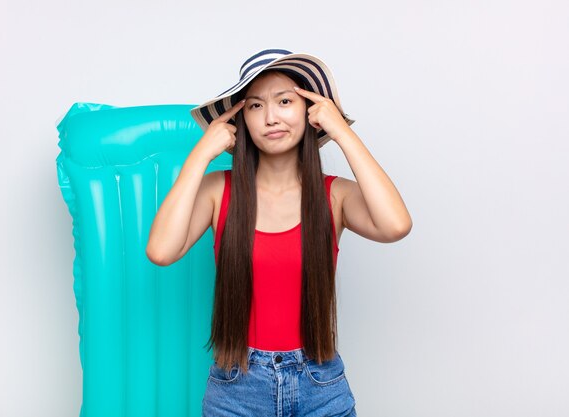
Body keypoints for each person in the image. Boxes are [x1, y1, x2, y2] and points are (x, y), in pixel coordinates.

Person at [147, 48, 412, 417]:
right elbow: (161, 251)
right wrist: (201, 153)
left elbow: (396, 225)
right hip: (236, 387)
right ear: (240, 121)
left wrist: (341, 132)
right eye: (255, 106)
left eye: (285, 101)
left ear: (310, 112)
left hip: (319, 384)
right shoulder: (217, 190)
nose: (271, 117)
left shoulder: (334, 195)